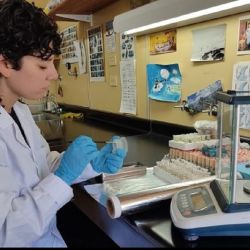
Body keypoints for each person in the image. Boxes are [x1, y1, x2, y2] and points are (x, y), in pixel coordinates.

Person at [0, 0, 126, 247]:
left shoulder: (19, 111)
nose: (54, 74)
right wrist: (64, 176)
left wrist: (89, 164)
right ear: (5, 63)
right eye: (42, 65)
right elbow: (7, 232)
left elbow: (42, 167)